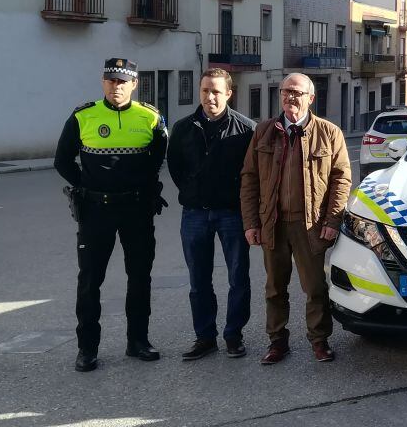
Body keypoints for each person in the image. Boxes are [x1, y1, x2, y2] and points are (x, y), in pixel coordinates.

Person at [54, 58, 168, 372]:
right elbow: (62, 160)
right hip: (95, 211)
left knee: (140, 277)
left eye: (122, 82)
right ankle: (87, 349)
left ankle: (138, 341)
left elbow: (157, 159)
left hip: (136, 210)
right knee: (90, 281)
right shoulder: (83, 115)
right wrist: (85, 185)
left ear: (134, 84)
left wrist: (142, 187)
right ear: (103, 82)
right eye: (110, 81)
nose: (115, 87)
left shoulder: (150, 117)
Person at [240, 73, 352, 364]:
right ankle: (277, 342)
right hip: (272, 224)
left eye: (297, 92)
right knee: (275, 288)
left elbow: (342, 180)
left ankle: (319, 340)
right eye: (285, 91)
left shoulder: (329, 133)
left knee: (315, 287)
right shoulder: (263, 132)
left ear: (311, 98)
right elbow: (249, 179)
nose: (290, 97)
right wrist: (251, 223)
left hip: (310, 225)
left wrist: (332, 221)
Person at [167, 68, 256, 361]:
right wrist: (193, 191)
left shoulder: (246, 130)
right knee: (198, 281)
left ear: (229, 93)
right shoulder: (182, 128)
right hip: (194, 214)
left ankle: (233, 335)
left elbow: (251, 176)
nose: (210, 97)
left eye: (216, 91)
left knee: (238, 278)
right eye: (205, 91)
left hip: (232, 214)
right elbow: (176, 168)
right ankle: (205, 337)